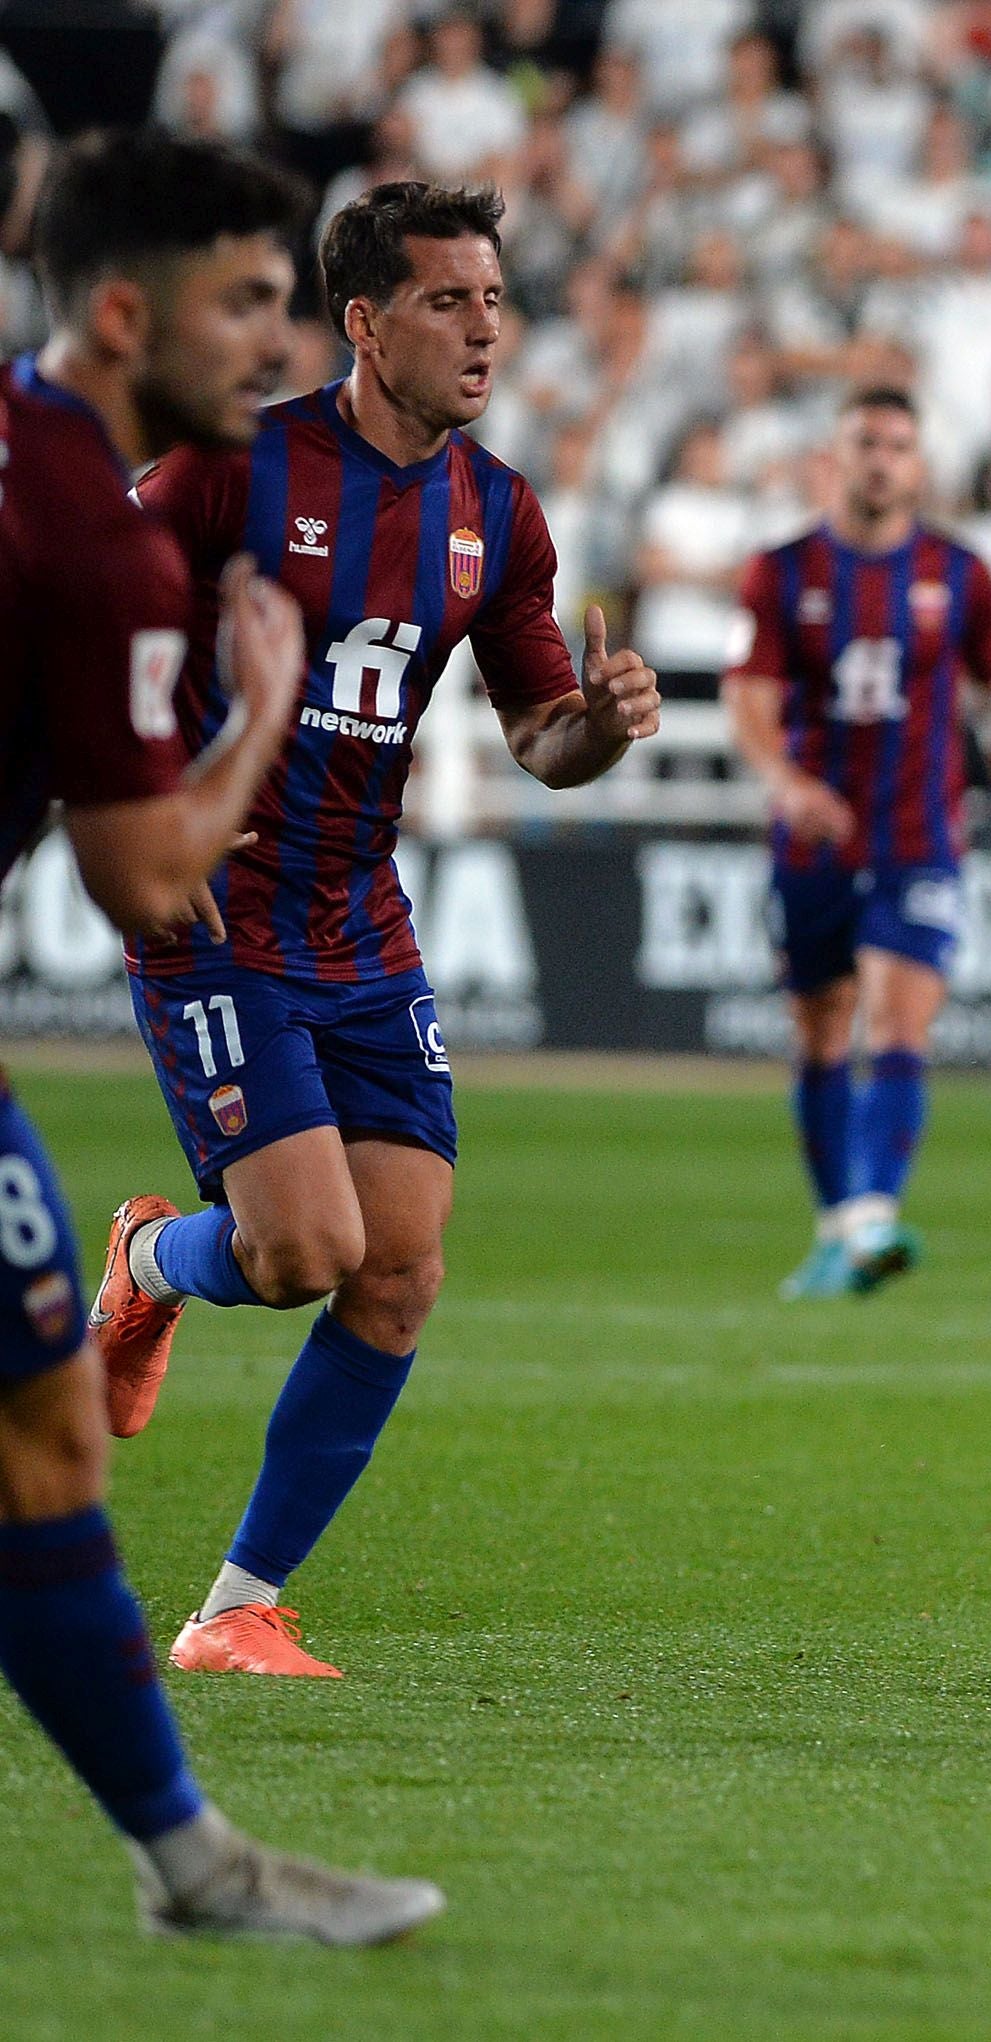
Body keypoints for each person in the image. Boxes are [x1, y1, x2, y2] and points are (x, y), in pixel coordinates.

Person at [88, 181, 665, 1681]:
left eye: (493, 299)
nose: (485, 330)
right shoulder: (229, 471)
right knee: (299, 1253)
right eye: (447, 301)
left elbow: (539, 735)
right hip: (216, 914)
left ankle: (235, 1611)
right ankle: (152, 1267)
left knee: (397, 1268)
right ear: (365, 322)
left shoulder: (497, 513)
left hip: (362, 921)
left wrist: (598, 729)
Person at [2, 126, 441, 1940]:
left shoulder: (47, 475)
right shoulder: (99, 537)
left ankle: (193, 1860)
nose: (276, 345)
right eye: (247, 304)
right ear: (127, 312)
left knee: (44, 1439)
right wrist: (260, 708)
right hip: (224, 922)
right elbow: (146, 873)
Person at [724, 388, 991, 1299]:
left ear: (920, 464)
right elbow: (749, 702)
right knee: (821, 1024)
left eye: (899, 445)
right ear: (835, 456)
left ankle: (871, 1218)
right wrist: (787, 784)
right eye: (866, 441)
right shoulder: (781, 572)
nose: (881, 460)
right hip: (814, 841)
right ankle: (838, 1229)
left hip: (921, 836)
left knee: (899, 1019)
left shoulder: (961, 574)